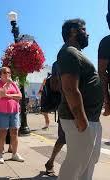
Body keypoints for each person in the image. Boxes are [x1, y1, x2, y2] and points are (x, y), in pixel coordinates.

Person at [57, 19, 103, 180]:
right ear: (73, 32)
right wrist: (80, 117)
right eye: (84, 29)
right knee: (76, 164)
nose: (88, 33)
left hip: (91, 117)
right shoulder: (69, 52)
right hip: (79, 119)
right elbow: (69, 88)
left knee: (88, 162)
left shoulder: (76, 53)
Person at [0, 67, 24, 164]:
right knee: (2, 132)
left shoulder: (14, 84)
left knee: (14, 132)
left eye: (9, 72)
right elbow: (0, 94)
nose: (7, 74)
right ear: (0, 74)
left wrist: (8, 96)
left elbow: (20, 96)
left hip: (14, 111)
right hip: (2, 111)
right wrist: (8, 84)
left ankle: (14, 154)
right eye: (5, 72)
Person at [44, 61, 65, 175]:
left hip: (76, 105)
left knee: (73, 139)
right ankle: (51, 162)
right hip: (66, 108)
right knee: (62, 138)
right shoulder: (58, 63)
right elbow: (54, 85)